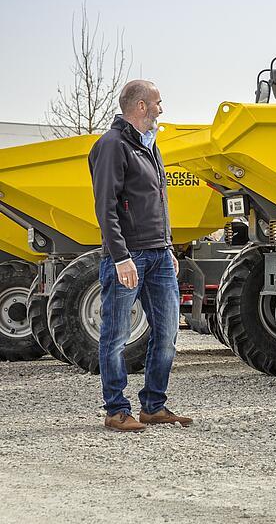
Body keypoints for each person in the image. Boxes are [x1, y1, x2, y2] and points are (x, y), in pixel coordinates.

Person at [88, 80, 192, 432]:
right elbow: (106, 208)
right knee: (115, 335)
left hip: (159, 254)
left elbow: (157, 202)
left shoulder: (150, 146)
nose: (162, 109)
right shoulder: (112, 145)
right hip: (128, 255)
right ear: (141, 106)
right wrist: (120, 257)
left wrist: (169, 246)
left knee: (166, 333)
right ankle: (116, 409)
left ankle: (153, 405)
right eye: (158, 103)